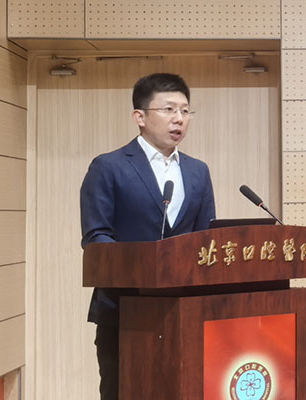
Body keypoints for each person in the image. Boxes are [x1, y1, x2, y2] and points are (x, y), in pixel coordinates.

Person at [80, 73, 216, 400]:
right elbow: (96, 238)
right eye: (168, 109)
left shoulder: (198, 171)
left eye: (185, 111)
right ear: (139, 117)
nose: (179, 118)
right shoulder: (109, 167)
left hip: (184, 311)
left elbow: (205, 239)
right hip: (125, 310)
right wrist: (144, 267)